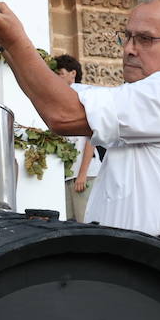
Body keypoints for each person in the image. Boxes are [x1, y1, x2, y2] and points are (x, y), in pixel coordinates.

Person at [0, 0, 160, 268]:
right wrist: (4, 43)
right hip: (139, 259)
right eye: (127, 37)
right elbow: (60, 99)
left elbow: (63, 113)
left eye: (145, 39)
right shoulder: (143, 94)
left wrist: (14, 41)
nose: (129, 49)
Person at [52, 54, 99, 222]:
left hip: (85, 174)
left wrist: (82, 174)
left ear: (73, 74)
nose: (57, 78)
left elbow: (91, 137)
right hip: (68, 176)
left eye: (60, 74)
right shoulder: (58, 102)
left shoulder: (84, 95)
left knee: (86, 222)